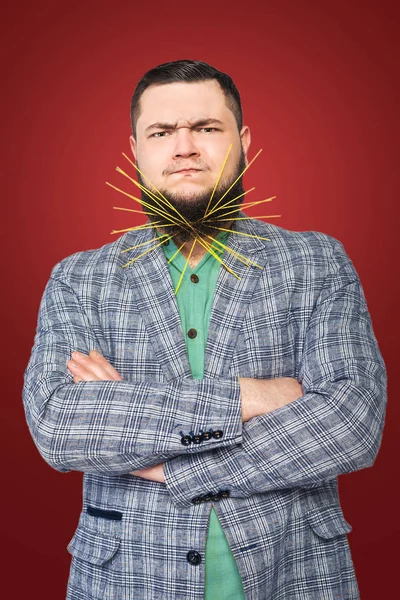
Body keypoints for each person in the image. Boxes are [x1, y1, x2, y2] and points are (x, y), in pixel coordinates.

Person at [23, 59, 387, 600]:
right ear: (136, 149)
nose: (184, 146)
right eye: (162, 132)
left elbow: (351, 424)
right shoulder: (79, 279)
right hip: (127, 582)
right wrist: (250, 396)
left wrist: (168, 463)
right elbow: (58, 425)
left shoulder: (317, 261)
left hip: (296, 575)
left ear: (241, 141)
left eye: (206, 128)